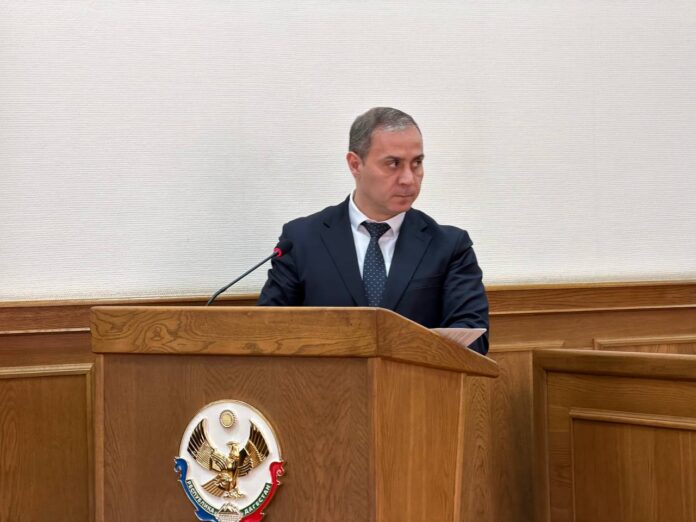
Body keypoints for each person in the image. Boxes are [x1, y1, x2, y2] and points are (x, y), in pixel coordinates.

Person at [257, 107, 489, 354]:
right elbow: (266, 331)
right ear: (355, 164)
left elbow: (474, 339)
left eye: (417, 163)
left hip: (416, 378)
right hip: (324, 377)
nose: (408, 179)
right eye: (393, 164)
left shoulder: (449, 246)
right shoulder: (301, 239)